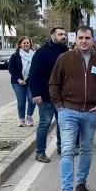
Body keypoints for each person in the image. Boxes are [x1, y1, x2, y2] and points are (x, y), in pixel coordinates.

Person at [50, 26, 96, 191]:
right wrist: (59, 107)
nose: (84, 41)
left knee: (86, 149)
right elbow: (54, 83)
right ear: (75, 39)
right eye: (80, 37)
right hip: (68, 111)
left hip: (91, 112)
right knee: (68, 149)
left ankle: (81, 184)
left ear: (93, 39)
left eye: (87, 37)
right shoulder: (64, 58)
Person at [29, 27, 69, 163]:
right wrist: (35, 93)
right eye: (60, 34)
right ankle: (40, 152)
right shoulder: (41, 52)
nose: (63, 36)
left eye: (64, 34)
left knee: (62, 122)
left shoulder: (65, 51)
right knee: (45, 123)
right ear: (52, 36)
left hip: (62, 95)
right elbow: (33, 74)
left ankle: (61, 147)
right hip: (45, 95)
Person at [8, 36, 36, 127]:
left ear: (30, 44)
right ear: (20, 44)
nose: (26, 44)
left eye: (27, 43)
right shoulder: (15, 55)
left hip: (31, 81)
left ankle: (29, 117)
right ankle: (21, 119)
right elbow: (11, 69)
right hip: (17, 82)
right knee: (21, 101)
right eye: (24, 43)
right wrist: (18, 79)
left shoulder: (34, 55)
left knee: (32, 99)